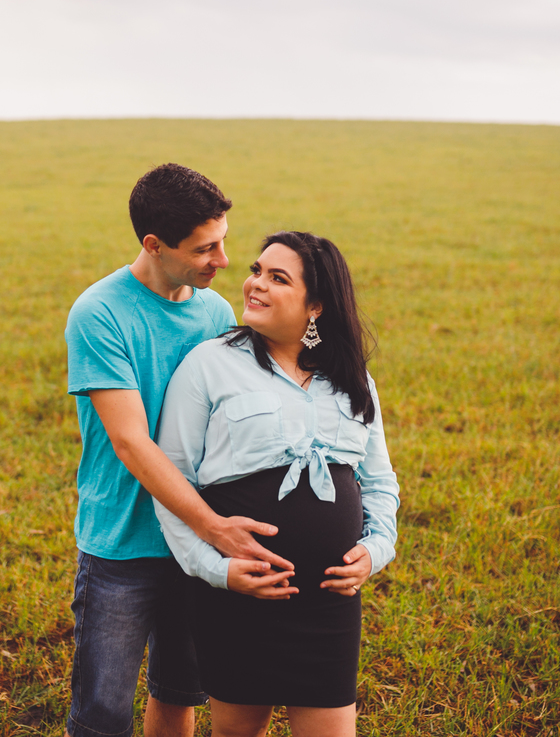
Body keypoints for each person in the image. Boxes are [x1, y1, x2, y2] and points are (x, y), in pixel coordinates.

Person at [63, 164, 294, 737]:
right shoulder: (99, 314)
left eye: (224, 241)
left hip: (193, 545)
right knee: (102, 713)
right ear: (154, 245)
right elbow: (130, 441)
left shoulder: (215, 313)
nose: (223, 261)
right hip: (125, 543)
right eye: (205, 248)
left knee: (179, 692)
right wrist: (214, 527)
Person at [153, 231, 400, 737]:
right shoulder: (210, 364)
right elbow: (171, 482)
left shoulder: (352, 378)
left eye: (277, 278)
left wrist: (378, 548)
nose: (254, 284)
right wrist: (216, 570)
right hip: (239, 601)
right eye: (257, 270)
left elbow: (378, 481)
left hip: (329, 605)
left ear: (316, 307)